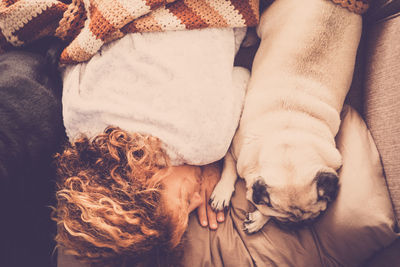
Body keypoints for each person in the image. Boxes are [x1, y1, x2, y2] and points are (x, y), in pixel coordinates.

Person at [52, 26, 251, 266]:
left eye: (186, 201)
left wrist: (213, 155)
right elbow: (72, 57)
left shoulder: (206, 142)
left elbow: (242, 75)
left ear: (146, 181)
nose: (200, 199)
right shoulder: (78, 125)